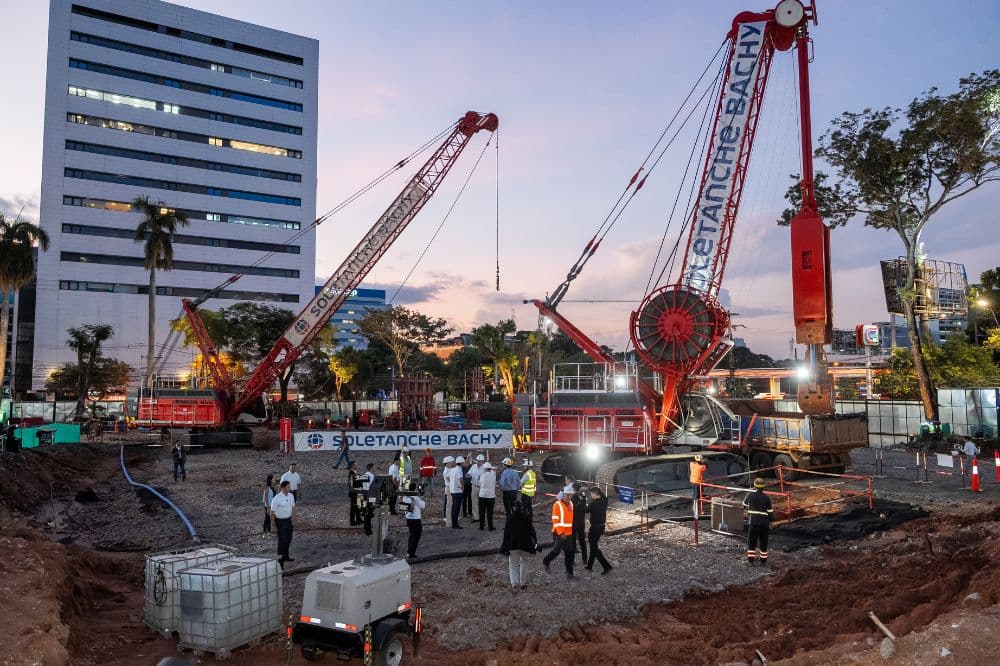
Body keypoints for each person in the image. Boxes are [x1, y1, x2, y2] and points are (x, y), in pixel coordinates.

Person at [500, 500, 538, 588]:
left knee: (513, 564)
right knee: (524, 563)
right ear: (521, 507)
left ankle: (514, 583)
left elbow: (506, 533)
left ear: (513, 507)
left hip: (513, 544)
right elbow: (532, 530)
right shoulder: (526, 517)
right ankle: (523, 582)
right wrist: (535, 541)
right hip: (525, 544)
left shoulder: (510, 517)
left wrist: (504, 545)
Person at [542, 485, 576, 580]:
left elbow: (570, 520)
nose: (569, 497)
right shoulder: (557, 505)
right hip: (560, 533)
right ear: (564, 494)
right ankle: (546, 561)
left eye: (570, 495)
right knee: (556, 551)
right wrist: (561, 533)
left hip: (568, 533)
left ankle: (570, 574)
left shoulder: (571, 504)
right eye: (567, 495)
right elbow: (555, 520)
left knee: (569, 553)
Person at [742, 477, 773, 566]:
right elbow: (770, 512)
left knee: (752, 541)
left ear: (754, 486)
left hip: (753, 522)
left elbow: (744, 505)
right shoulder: (767, 498)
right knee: (763, 541)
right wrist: (771, 521)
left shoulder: (750, 495)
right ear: (763, 487)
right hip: (764, 523)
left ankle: (751, 561)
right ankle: (763, 561)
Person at [584, 486, 612, 574]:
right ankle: (589, 565)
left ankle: (606, 566)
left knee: (594, 548)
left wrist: (583, 500)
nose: (591, 495)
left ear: (595, 493)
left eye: (591, 494)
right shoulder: (605, 499)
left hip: (595, 528)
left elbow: (585, 510)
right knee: (593, 546)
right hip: (601, 527)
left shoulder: (593, 504)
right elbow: (602, 495)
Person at [270, 480, 296, 566]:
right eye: (288, 487)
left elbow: (293, 508)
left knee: (288, 539)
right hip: (280, 522)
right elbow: (272, 512)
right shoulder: (276, 498)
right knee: (282, 542)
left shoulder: (291, 496)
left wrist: (293, 519)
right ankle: (280, 562)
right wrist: (273, 526)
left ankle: (286, 556)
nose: (290, 488)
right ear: (283, 488)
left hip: (288, 520)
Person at [400, 480, 426, 559]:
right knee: (416, 536)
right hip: (416, 519)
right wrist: (422, 498)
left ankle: (409, 551)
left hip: (408, 518)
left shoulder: (406, 496)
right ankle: (412, 553)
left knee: (411, 535)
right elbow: (422, 506)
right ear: (415, 489)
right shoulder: (416, 497)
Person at [571, 481, 588, 563]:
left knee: (573, 540)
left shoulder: (574, 497)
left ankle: (572, 559)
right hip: (581, 521)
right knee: (582, 540)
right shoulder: (584, 496)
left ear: (574, 489)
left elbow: (573, 509)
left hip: (574, 522)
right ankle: (585, 558)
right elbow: (584, 507)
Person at [445, 455, 464, 528]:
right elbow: (461, 479)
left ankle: (453, 523)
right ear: (461, 463)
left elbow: (447, 476)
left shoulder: (453, 469)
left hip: (452, 491)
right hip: (458, 491)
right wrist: (462, 487)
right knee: (457, 508)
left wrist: (452, 482)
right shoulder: (459, 470)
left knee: (453, 508)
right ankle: (455, 524)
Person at [478, 461, 497, 531]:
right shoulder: (493, 476)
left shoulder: (482, 476)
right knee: (490, 513)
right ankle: (490, 527)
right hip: (491, 496)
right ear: (490, 469)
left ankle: (481, 527)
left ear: (485, 469)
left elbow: (480, 484)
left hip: (482, 496)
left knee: (482, 512)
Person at [361, 463, 376, 536]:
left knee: (366, 512)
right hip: (370, 495)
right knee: (369, 513)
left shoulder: (364, 475)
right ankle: (368, 530)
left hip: (365, 495)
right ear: (371, 468)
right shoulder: (372, 476)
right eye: (373, 467)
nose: (374, 469)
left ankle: (366, 528)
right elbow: (373, 487)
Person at [470, 454, 485, 522]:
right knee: (474, 502)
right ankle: (476, 517)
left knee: (482, 502)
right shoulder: (473, 466)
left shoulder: (485, 467)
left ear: (483, 461)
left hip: (482, 487)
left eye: (481, 461)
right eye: (478, 461)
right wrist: (467, 475)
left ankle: (482, 516)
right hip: (474, 486)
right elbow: (469, 473)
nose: (479, 462)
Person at [441, 456, 455, 526]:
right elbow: (451, 480)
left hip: (451, 488)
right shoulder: (446, 471)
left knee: (451, 505)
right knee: (449, 505)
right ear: (447, 463)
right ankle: (449, 522)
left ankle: (451, 519)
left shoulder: (450, 469)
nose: (452, 463)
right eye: (451, 462)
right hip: (449, 488)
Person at [347, 461, 362, 526]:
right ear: (352, 466)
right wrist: (357, 489)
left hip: (356, 493)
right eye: (355, 464)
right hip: (354, 493)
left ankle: (358, 519)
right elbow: (350, 484)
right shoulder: (351, 473)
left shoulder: (354, 473)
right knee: (353, 507)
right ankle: (352, 521)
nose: (356, 465)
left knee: (357, 507)